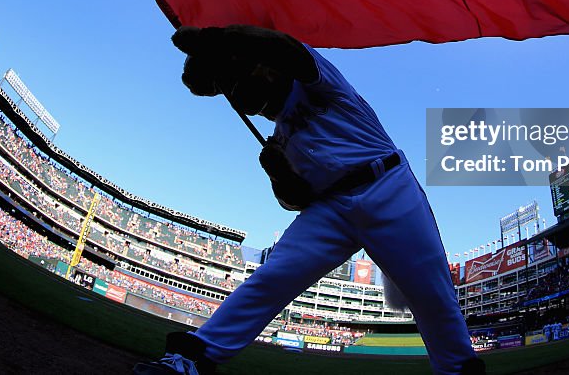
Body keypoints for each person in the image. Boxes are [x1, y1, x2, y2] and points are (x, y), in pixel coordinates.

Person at [134, 25, 483, 374]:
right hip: (330, 208)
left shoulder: (318, 82)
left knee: (432, 295)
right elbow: (295, 200)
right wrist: (278, 174)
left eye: (249, 75)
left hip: (387, 186)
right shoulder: (279, 137)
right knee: (274, 276)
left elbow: (288, 50)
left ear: (268, 68)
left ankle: (458, 370)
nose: (247, 90)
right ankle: (194, 359)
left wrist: (221, 41)